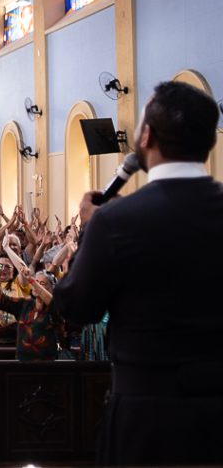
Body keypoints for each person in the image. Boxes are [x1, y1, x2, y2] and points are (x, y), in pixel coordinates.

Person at [54, 81, 223, 466]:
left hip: (148, 415)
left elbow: (76, 307)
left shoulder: (117, 222)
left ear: (146, 136)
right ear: (209, 143)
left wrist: (88, 231)